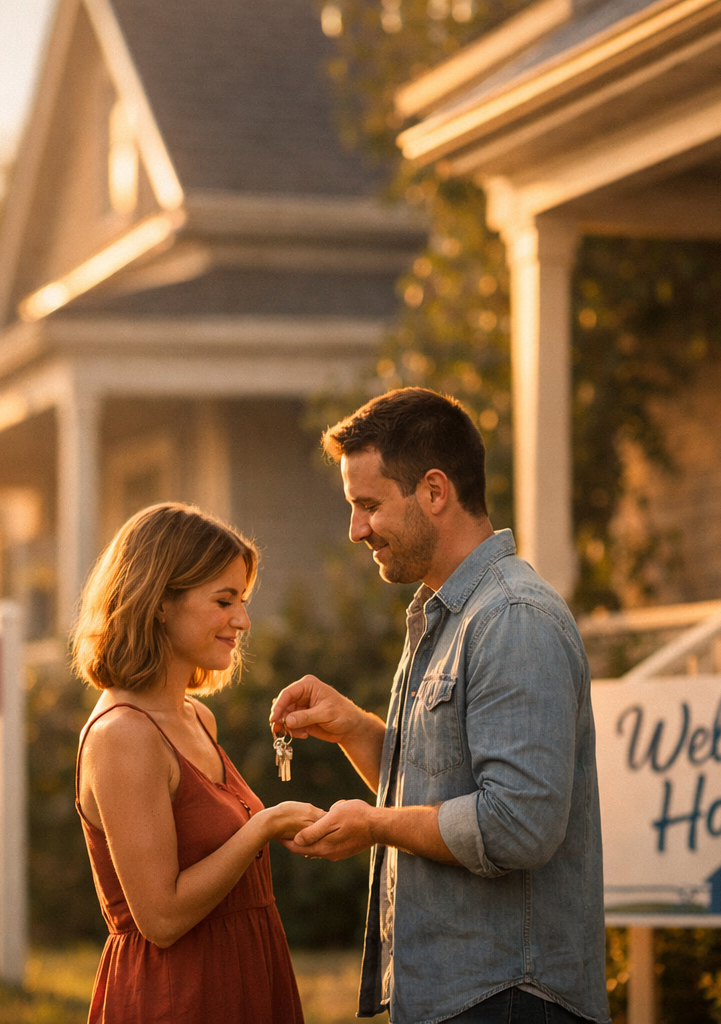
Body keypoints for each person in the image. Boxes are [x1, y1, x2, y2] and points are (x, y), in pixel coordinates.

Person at [269, 388, 608, 1023]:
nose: (356, 530)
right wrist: (355, 728)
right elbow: (440, 791)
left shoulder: (511, 617)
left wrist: (373, 825)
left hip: (508, 1000)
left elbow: (517, 825)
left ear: (433, 491)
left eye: (369, 505)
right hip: (461, 995)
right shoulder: (448, 613)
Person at [72, 502, 323, 1024]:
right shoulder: (124, 736)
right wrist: (264, 825)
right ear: (160, 602)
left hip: (245, 978)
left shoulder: (197, 718)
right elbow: (161, 919)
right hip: (177, 997)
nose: (242, 620)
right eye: (224, 601)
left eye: (242, 602)